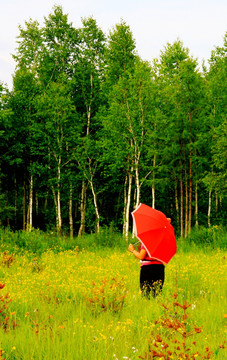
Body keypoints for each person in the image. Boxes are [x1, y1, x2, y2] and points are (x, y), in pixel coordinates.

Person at [128, 218, 171, 298]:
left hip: (148, 269)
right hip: (160, 268)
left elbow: (141, 256)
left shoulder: (147, 240)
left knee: (145, 294)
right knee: (157, 294)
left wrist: (133, 250)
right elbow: (168, 221)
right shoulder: (162, 239)